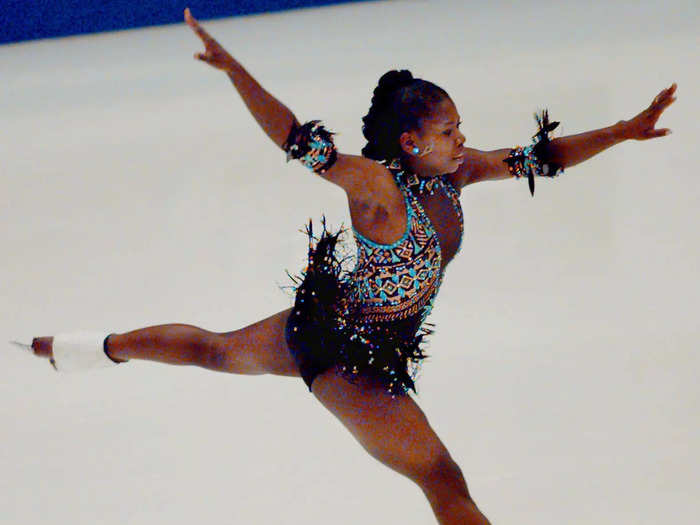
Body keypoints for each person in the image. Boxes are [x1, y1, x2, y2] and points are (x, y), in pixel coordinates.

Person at [19, 8, 677, 525]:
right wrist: (234, 68)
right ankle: (92, 348)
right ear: (410, 143)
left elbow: (542, 157)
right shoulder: (378, 191)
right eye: (448, 130)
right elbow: (298, 142)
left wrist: (622, 128)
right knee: (441, 477)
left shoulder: (457, 170)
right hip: (348, 355)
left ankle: (80, 349)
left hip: (347, 322)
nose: (462, 138)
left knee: (219, 351)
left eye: (459, 125)